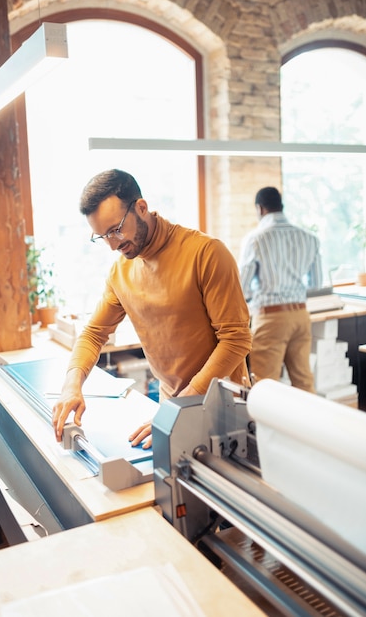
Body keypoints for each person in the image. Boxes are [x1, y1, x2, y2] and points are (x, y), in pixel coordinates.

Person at [52, 169, 252, 448]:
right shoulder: (120, 272)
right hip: (172, 404)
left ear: (141, 208)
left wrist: (181, 406)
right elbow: (93, 334)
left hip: (224, 405)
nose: (112, 245)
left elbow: (236, 339)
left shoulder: (206, 253)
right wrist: (71, 384)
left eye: (116, 230)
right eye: (102, 236)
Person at [238, 186, 323, 393]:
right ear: (280, 206)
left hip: (270, 318)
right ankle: (306, 426)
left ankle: (267, 427)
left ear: (260, 208)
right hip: (300, 315)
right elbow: (317, 284)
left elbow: (242, 287)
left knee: (266, 386)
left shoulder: (256, 239)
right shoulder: (309, 238)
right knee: (304, 382)